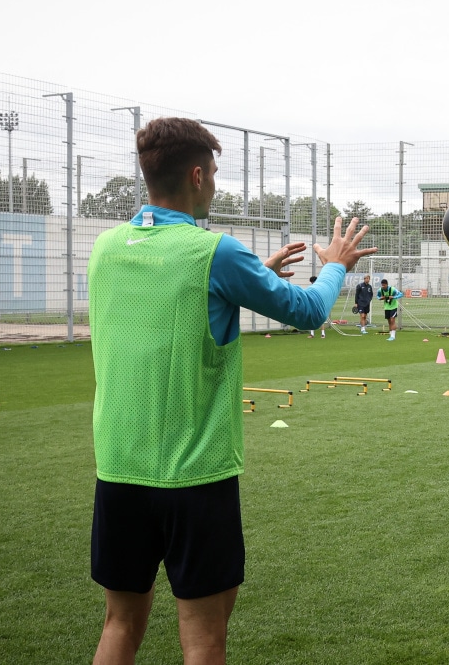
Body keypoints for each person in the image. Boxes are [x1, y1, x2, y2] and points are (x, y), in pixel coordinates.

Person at [86, 117, 376, 664]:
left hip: (118, 472)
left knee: (119, 625)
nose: (215, 185)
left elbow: (169, 300)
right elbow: (308, 310)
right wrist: (336, 267)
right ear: (197, 176)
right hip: (196, 478)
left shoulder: (105, 249)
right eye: (214, 174)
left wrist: (250, 275)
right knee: (204, 639)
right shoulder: (215, 251)